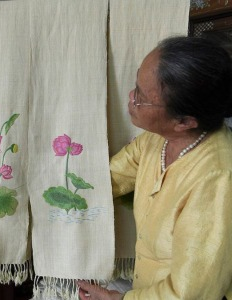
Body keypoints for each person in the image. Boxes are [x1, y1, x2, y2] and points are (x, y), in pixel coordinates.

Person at [78, 36, 232, 299]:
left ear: (184, 121)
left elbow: (191, 294)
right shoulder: (158, 140)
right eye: (136, 84)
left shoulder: (217, 181)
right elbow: (108, 179)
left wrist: (119, 299)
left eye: (140, 96)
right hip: (144, 287)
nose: (130, 97)